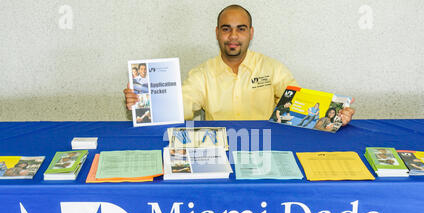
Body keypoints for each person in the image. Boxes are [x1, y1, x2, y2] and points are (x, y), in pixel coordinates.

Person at [123, 5, 354, 124]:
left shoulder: (272, 68)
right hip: (216, 150)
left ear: (250, 33)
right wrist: (143, 102)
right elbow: (179, 106)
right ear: (217, 33)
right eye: (226, 29)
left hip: (265, 147)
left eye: (240, 29)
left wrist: (335, 116)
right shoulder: (202, 74)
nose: (233, 36)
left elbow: (299, 104)